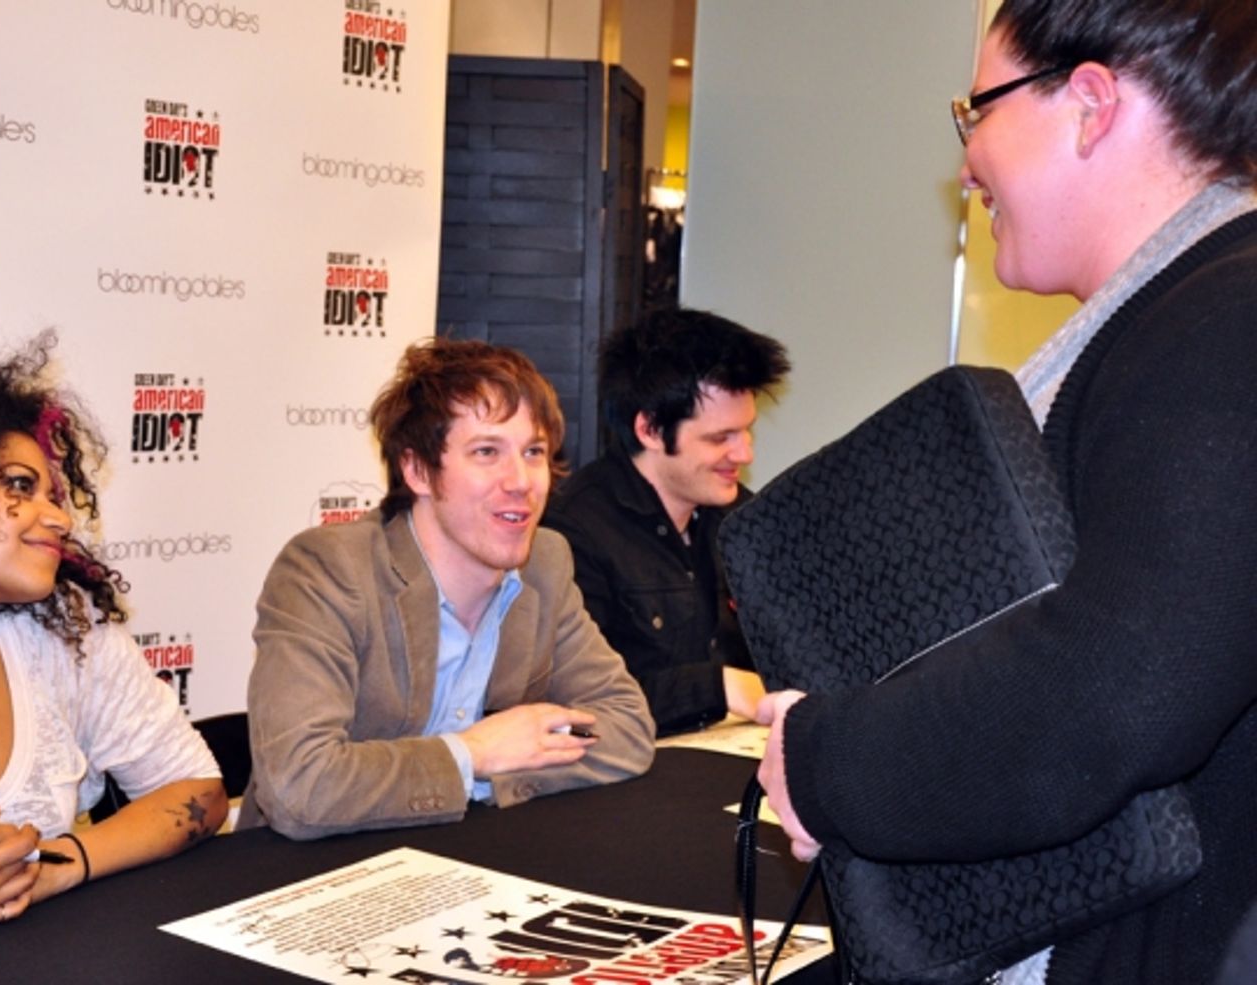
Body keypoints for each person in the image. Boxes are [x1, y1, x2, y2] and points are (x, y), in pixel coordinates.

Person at [757, 2, 1257, 983]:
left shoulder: (1224, 324)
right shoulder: (1188, 314)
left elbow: (1115, 685)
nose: (965, 161)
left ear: (1087, 102)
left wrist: (827, 761)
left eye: (974, 110)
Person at [0, 337, 226, 935]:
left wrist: (60, 863)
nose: (59, 518)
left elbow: (199, 792)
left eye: (54, 495)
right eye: (21, 488)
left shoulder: (69, 639)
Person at [240, 338, 655, 839]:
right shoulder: (328, 570)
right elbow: (300, 788)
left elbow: (626, 726)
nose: (521, 480)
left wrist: (526, 749)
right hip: (310, 878)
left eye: (533, 452)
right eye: (486, 452)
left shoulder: (546, 563)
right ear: (416, 470)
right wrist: (475, 753)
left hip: (461, 864)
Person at [542, 308, 789, 735]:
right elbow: (572, 700)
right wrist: (720, 688)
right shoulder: (571, 531)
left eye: (746, 431)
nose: (744, 454)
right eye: (720, 438)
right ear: (651, 430)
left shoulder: (746, 521)